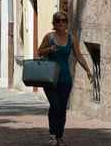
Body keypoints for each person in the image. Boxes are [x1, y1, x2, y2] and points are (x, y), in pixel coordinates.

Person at [37, 11, 93, 146]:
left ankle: (60, 136)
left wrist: (87, 70)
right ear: (54, 23)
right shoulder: (49, 37)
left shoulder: (71, 38)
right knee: (55, 105)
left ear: (67, 23)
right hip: (50, 78)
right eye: (58, 21)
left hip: (65, 78)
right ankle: (52, 135)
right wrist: (49, 49)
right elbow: (39, 52)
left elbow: (79, 56)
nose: (61, 23)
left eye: (64, 21)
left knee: (62, 108)